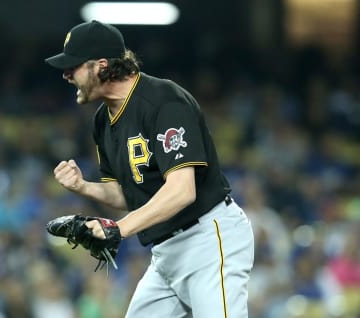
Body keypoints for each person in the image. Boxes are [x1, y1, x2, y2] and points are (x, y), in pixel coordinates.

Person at [45, 20, 255, 318]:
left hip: (208, 238)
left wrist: (118, 229)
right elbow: (129, 193)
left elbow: (182, 191)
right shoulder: (102, 121)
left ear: (101, 65)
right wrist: (84, 186)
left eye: (73, 66)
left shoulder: (163, 100)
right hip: (165, 252)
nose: (66, 74)